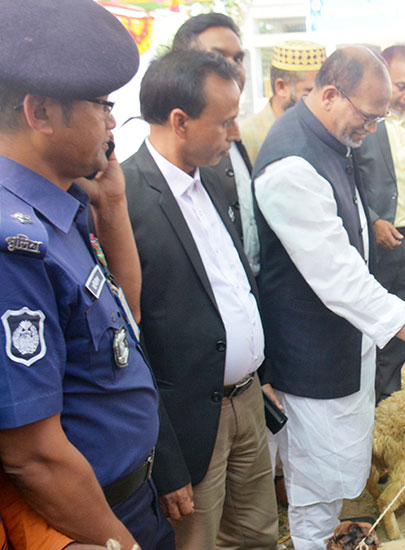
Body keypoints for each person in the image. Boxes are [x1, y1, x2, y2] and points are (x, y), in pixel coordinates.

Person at [251, 46, 405, 550]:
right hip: (311, 355)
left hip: (343, 342)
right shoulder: (292, 162)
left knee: (339, 468)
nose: (374, 128)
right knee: (315, 487)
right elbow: (338, 276)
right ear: (332, 94)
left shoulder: (332, 139)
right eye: (369, 116)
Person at [0, 1, 174, 547]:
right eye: (101, 105)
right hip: (89, 521)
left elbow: (128, 315)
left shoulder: (60, 201)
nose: (109, 122)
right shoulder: (14, 244)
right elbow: (32, 454)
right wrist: (117, 543)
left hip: (127, 497)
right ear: (41, 114)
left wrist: (113, 206)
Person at [122, 50, 278, 549]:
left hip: (247, 400)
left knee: (256, 533)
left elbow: (233, 283)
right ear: (179, 121)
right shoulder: (124, 199)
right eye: (225, 122)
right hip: (189, 423)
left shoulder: (211, 178)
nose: (235, 135)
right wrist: (166, 461)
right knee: (196, 541)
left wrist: (261, 375)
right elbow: (132, 345)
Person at [356, 45, 405, 402]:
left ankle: (388, 404)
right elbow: (347, 176)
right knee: (367, 333)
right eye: (402, 85)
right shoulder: (362, 116)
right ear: (382, 77)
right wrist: (372, 222)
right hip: (371, 245)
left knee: (402, 325)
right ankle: (364, 404)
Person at [170, 14, 256, 271]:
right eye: (218, 57)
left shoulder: (237, 132)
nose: (234, 68)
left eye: (238, 59)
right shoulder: (174, 152)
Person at [242, 40, 326, 165]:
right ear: (281, 87)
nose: (321, 100)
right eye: (310, 90)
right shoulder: (248, 135)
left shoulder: (324, 129)